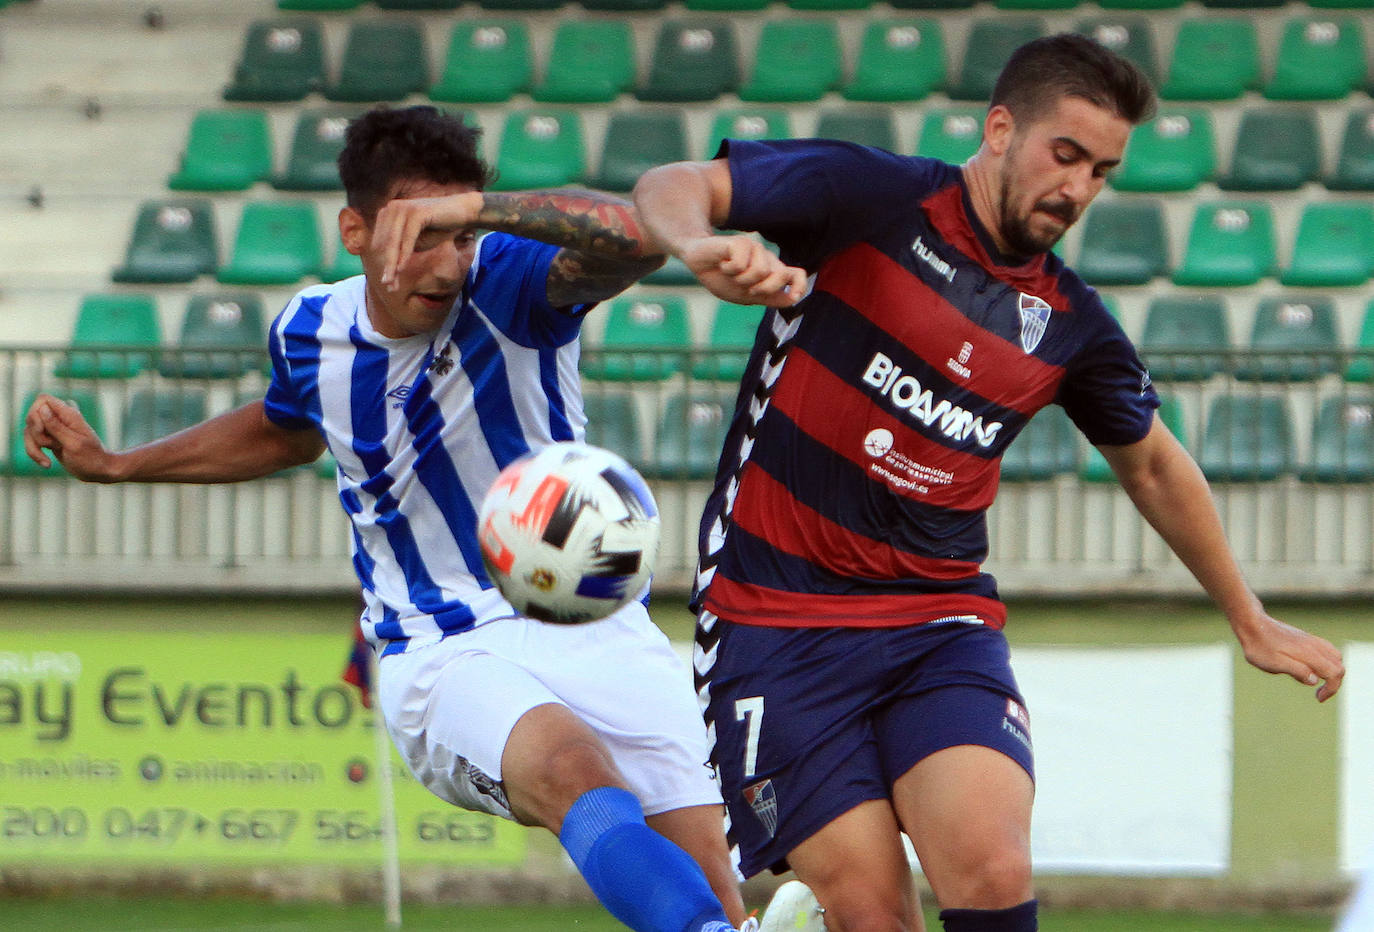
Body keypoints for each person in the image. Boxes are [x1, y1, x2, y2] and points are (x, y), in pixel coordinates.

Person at [631, 34, 1347, 932]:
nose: (1080, 189)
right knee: (874, 913)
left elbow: (1155, 464)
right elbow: (670, 184)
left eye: (1102, 171)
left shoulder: (1070, 325)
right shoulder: (869, 196)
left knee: (992, 870)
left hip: (938, 622)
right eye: (1067, 155)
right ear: (1001, 128)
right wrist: (697, 244)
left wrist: (1248, 615)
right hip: (773, 620)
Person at [24, 105, 755, 932]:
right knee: (572, 770)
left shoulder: (507, 281)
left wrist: (474, 216)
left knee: (715, 882)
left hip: (590, 619)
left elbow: (637, 236)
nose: (446, 265)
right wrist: (120, 464)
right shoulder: (310, 332)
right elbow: (285, 429)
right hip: (439, 644)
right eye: (420, 234)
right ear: (355, 231)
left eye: (458, 235)